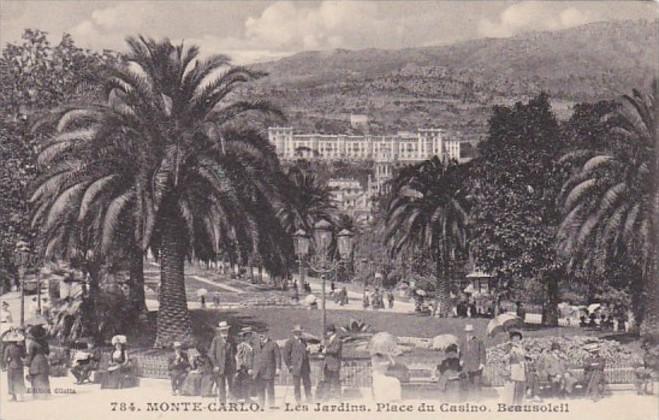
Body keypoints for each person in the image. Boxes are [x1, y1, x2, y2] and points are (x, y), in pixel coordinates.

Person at [208, 321, 236, 404]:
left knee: (231, 383)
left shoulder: (231, 339)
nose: (224, 332)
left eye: (226, 330)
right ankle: (222, 402)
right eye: (222, 330)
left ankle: (231, 400)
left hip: (230, 365)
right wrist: (215, 365)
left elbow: (234, 351)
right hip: (220, 366)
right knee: (221, 385)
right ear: (220, 331)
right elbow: (211, 354)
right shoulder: (216, 340)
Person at [283, 325, 312, 403]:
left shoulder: (304, 341)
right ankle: (298, 400)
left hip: (305, 366)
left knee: (307, 383)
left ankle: (309, 398)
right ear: (294, 333)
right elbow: (286, 355)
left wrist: (308, 350)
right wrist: (289, 365)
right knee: (297, 385)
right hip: (295, 366)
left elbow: (305, 353)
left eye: (300, 332)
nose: (299, 334)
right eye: (297, 332)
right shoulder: (290, 342)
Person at [252, 333, 281, 408]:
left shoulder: (273, 344)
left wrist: (278, 368)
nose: (261, 335)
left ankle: (271, 406)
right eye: (260, 334)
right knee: (260, 389)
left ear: (267, 335)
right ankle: (261, 406)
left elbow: (278, 357)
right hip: (258, 371)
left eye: (263, 334)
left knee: (270, 390)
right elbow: (252, 357)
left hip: (269, 371)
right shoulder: (255, 344)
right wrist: (251, 368)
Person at [25, 324, 51, 398]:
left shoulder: (32, 344)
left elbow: (30, 356)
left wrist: (27, 364)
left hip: (35, 362)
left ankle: (38, 395)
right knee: (44, 377)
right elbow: (47, 352)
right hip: (43, 360)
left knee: (36, 378)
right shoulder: (45, 343)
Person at [461, 324, 486, 399]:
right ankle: (470, 399)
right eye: (467, 332)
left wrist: (482, 363)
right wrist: (461, 360)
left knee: (477, 383)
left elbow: (483, 352)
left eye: (470, 332)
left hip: (476, 366)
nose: (469, 334)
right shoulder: (463, 342)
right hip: (467, 366)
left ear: (473, 332)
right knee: (468, 383)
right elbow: (461, 353)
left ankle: (477, 400)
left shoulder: (478, 341)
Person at [3, 328, 26, 401]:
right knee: (20, 380)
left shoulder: (8, 348)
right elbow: (24, 355)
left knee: (11, 380)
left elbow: (5, 359)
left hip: (12, 365)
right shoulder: (20, 347)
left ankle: (14, 396)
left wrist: (7, 362)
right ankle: (21, 396)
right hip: (19, 364)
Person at [234, 327, 256, 402]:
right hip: (244, 367)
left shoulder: (252, 345)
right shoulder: (242, 346)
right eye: (247, 336)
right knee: (244, 382)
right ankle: (242, 398)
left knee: (248, 382)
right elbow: (238, 357)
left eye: (250, 335)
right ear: (244, 337)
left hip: (251, 366)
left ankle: (247, 397)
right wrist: (239, 368)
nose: (249, 337)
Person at [321, 324, 343, 399]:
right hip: (327, 364)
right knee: (326, 381)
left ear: (331, 332)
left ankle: (338, 397)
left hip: (334, 364)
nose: (326, 333)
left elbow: (335, 350)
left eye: (327, 331)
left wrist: (326, 350)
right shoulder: (328, 340)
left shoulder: (338, 340)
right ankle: (325, 396)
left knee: (336, 381)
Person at [506, 330, 526, 404]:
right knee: (514, 385)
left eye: (518, 337)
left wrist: (520, 348)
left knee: (521, 384)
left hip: (521, 367)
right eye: (515, 337)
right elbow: (505, 357)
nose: (517, 339)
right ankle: (513, 401)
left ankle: (519, 401)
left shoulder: (521, 347)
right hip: (514, 366)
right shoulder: (509, 346)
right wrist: (511, 353)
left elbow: (524, 355)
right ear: (512, 338)